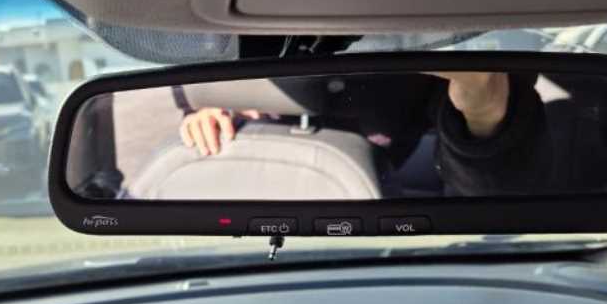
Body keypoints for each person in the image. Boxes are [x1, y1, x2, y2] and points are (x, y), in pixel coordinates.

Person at [177, 71, 569, 196]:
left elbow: (494, 194)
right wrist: (211, 100)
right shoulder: (218, 92)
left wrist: (484, 110)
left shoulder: (437, 72)